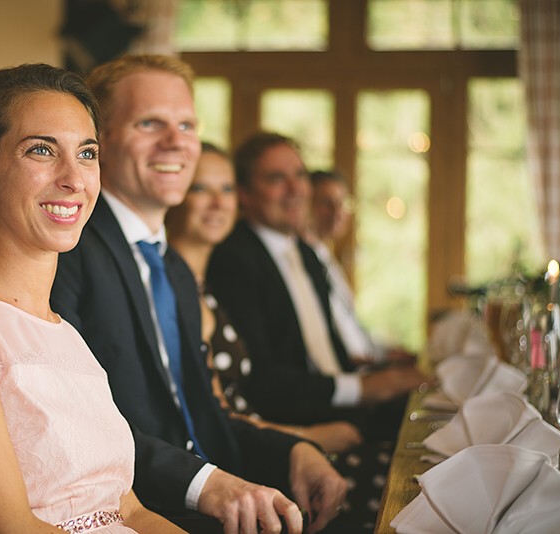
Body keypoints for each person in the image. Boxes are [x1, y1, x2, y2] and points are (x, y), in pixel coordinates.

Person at [51, 54, 346, 534]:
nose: (176, 142)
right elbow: (78, 427)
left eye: (187, 125)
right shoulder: (69, 249)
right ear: (98, 140)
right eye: (150, 123)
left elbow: (202, 419)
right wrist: (207, 485)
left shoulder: (174, 269)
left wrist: (295, 452)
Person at [0, 63, 184, 533]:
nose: (74, 178)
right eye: (41, 150)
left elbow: (130, 510)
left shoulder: (65, 332)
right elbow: (6, 529)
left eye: (87, 153)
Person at [206, 132, 429, 421]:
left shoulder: (306, 253)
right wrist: (362, 387)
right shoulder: (233, 259)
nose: (295, 189)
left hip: (338, 404)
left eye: (299, 175)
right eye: (276, 178)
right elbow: (261, 378)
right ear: (244, 194)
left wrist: (381, 373)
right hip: (293, 422)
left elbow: (325, 353)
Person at [165, 143, 363, 455]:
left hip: (257, 437)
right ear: (173, 194)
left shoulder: (202, 288)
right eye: (201, 188)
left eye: (226, 189)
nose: (219, 203)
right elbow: (212, 417)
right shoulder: (175, 285)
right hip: (233, 454)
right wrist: (307, 438)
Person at [306, 170, 415, 367]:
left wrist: (383, 352)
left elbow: (351, 325)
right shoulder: (306, 262)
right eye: (326, 203)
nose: (338, 213)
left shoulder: (325, 255)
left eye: (343, 203)